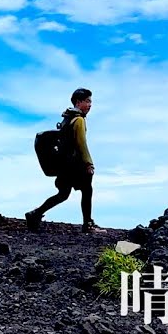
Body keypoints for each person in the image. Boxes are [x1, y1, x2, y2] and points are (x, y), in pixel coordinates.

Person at [27, 88, 101, 233]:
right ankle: (88, 225)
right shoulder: (78, 120)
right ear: (78, 102)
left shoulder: (68, 117)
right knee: (87, 190)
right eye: (87, 101)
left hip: (65, 164)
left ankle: (35, 214)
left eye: (90, 101)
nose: (90, 105)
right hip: (74, 165)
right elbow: (81, 143)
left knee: (63, 194)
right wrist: (88, 163)